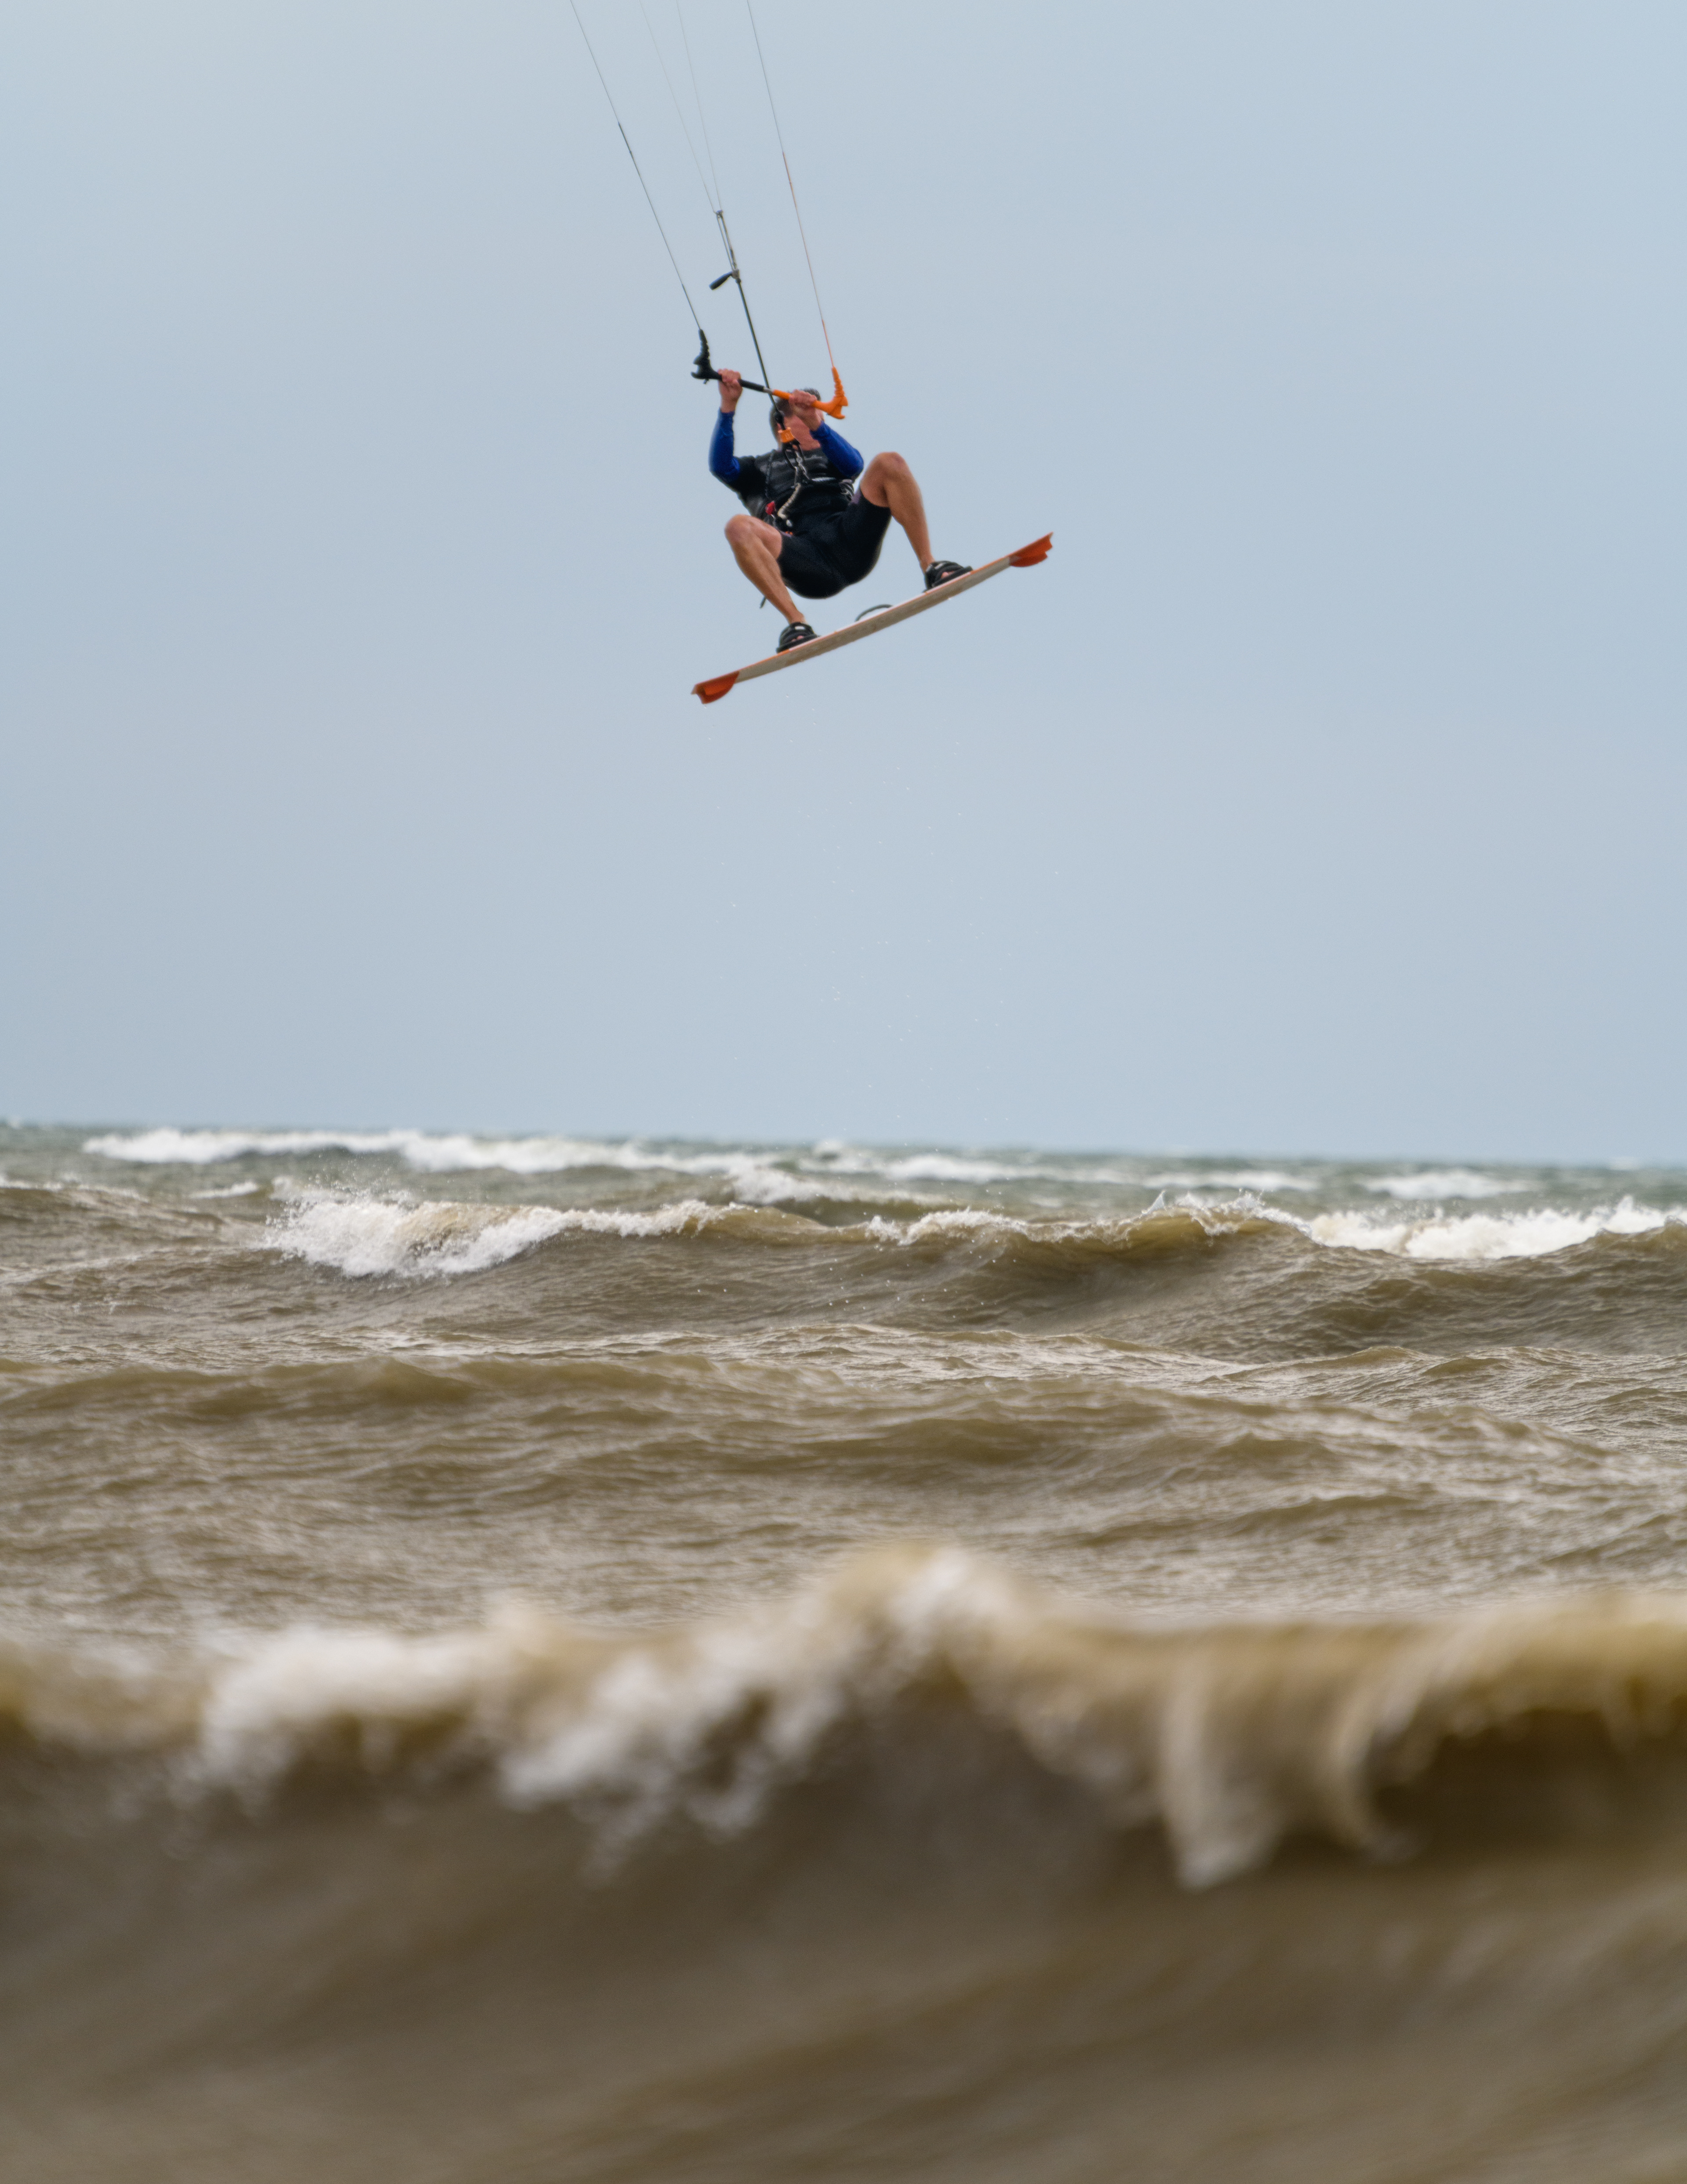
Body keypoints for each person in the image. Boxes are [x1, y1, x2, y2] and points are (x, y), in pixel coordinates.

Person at [709, 370, 970, 652]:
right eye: (808, 416)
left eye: (819, 415)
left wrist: (816, 424)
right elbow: (721, 467)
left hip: (850, 540)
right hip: (804, 560)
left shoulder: (831, 451)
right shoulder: (756, 470)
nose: (819, 421)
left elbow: (854, 465)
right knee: (738, 527)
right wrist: (728, 406)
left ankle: (931, 566)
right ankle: (796, 623)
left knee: (889, 462)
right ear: (783, 425)